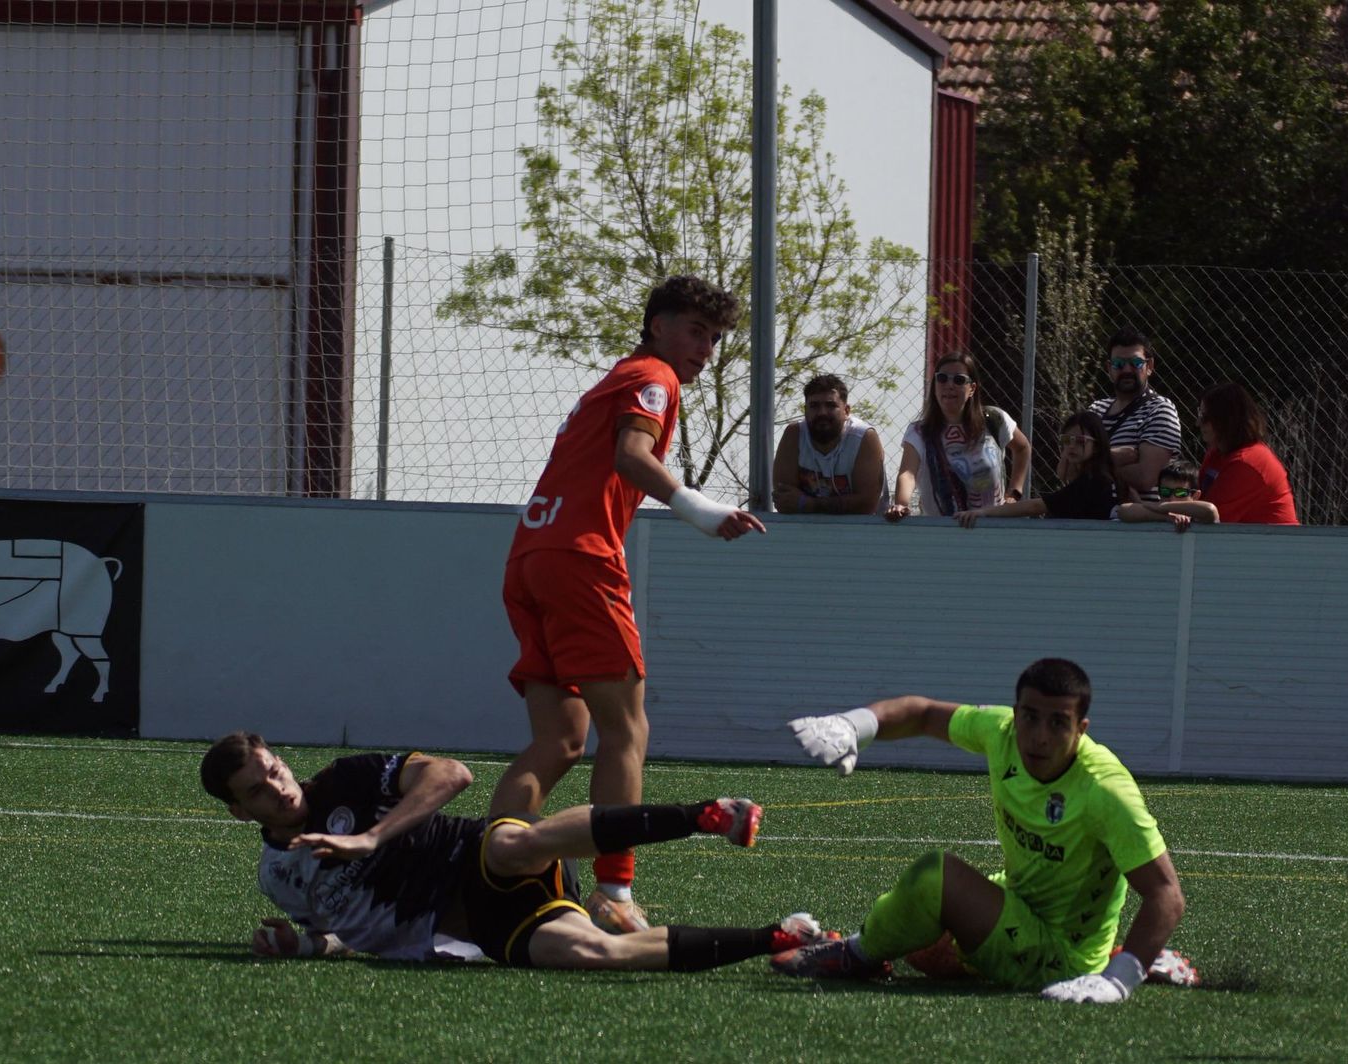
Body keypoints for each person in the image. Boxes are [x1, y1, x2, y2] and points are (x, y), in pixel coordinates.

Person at [494, 275, 767, 933]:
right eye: (695, 331)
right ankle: (613, 894)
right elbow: (631, 455)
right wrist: (702, 510)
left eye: (714, 337)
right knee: (626, 730)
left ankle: (490, 874)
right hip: (580, 559)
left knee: (560, 740)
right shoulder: (654, 376)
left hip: (529, 556)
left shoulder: (619, 376)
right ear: (657, 326)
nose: (705, 348)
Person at [198, 731, 828, 970]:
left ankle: (707, 815)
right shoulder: (278, 877)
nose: (278, 788)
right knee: (591, 953)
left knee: (515, 841)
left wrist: (369, 837)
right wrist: (301, 944)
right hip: (487, 927)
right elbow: (343, 935)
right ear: (238, 811)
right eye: (257, 790)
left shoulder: (346, 779)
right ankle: (779, 937)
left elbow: (453, 774)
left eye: (275, 770)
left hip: (477, 856)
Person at [775, 658, 1188, 1004]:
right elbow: (923, 713)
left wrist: (1117, 981)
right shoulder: (1000, 732)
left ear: (1081, 729)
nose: (1040, 737)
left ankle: (854, 955)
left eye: (1059, 723)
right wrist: (855, 724)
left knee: (935, 878)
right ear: (1016, 713)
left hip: (1060, 957)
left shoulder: (1106, 790)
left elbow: (1166, 895)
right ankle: (1133, 956)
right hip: (1018, 902)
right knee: (921, 947)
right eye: (1030, 717)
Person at [884, 353, 1030, 521]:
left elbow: (1022, 448)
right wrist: (901, 504)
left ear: (972, 389)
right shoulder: (919, 431)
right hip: (941, 530)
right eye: (942, 378)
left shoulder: (994, 419)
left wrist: (1014, 493)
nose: (949, 385)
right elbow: (908, 473)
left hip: (992, 528)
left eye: (959, 380)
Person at [953, 410, 1119, 526]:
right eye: (1067, 440)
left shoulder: (1092, 481)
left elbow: (1036, 507)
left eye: (1081, 441)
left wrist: (984, 512)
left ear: (1097, 446)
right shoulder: (1096, 477)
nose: (1072, 446)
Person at [1087, 328, 1182, 502]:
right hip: (1091, 513)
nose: (1127, 370)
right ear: (1109, 368)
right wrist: (1115, 457)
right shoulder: (1096, 410)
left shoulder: (1159, 410)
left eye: (1136, 363)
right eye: (1118, 364)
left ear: (1149, 366)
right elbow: (1069, 468)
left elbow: (1145, 477)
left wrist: (1094, 463)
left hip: (1137, 516)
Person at [771, 373, 886, 515]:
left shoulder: (863, 437)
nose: (822, 413)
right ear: (805, 410)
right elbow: (784, 500)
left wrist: (809, 504)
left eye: (831, 405)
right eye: (814, 406)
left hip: (863, 526)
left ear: (846, 411)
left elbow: (867, 505)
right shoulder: (794, 435)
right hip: (804, 526)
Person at [1196, 382, 1299, 525]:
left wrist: (1164, 510)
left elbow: (1208, 520)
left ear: (1226, 419)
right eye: (1199, 414)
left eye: (1205, 417)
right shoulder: (1217, 452)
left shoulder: (1247, 463)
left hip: (1272, 539)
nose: (1198, 423)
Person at [1117, 460, 1220, 532]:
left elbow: (1210, 511)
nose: (1172, 498)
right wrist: (1166, 517)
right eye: (1165, 491)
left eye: (1180, 492)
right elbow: (1124, 510)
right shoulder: (1157, 514)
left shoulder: (1198, 517)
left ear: (1195, 496)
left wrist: (1162, 506)